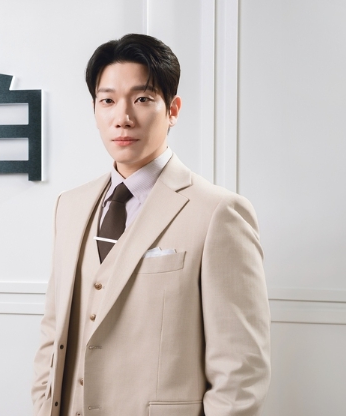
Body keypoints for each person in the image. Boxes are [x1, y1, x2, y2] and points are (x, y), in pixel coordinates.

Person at [31, 34, 270, 416]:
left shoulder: (219, 213)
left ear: (172, 109)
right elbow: (53, 330)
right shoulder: (69, 206)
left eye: (142, 99)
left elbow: (240, 371)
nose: (122, 117)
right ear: (95, 109)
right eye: (108, 100)